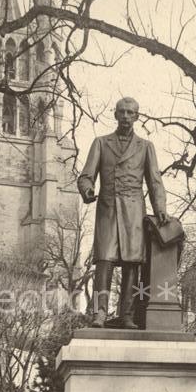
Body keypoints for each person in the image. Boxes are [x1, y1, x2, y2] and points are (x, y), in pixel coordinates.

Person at [77, 96, 168, 329]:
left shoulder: (146, 147)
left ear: (137, 117)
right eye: (122, 112)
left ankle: (127, 315)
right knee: (104, 262)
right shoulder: (101, 143)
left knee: (131, 264)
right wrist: (88, 190)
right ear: (115, 114)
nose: (126, 116)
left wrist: (160, 209)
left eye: (130, 112)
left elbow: (155, 181)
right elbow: (86, 175)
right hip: (107, 209)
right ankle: (99, 314)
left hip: (133, 211)